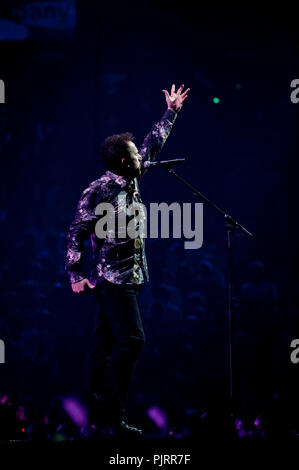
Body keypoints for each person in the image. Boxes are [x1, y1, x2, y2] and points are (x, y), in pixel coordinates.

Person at [65, 84, 190, 436]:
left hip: (132, 276)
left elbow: (152, 145)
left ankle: (96, 414)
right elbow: (76, 230)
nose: (142, 157)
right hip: (113, 279)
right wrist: (75, 272)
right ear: (123, 161)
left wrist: (172, 112)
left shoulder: (131, 177)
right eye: (135, 155)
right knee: (132, 340)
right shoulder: (99, 190)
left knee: (105, 345)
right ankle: (110, 412)